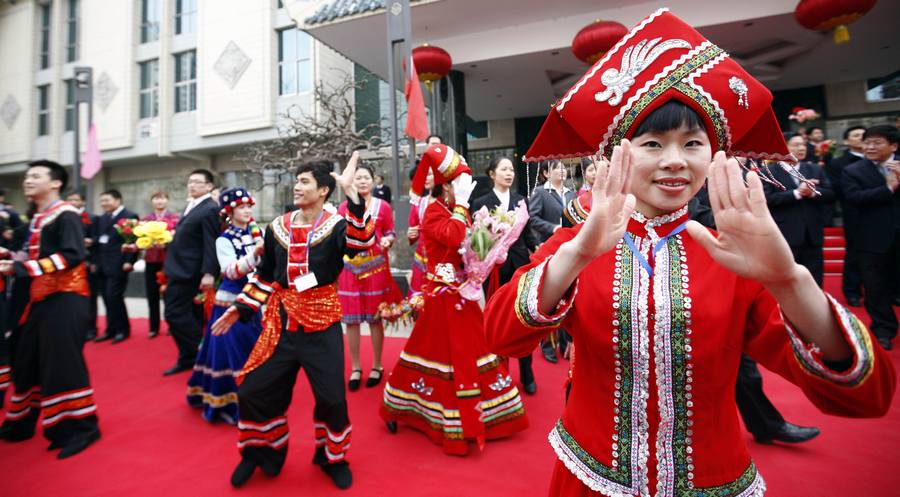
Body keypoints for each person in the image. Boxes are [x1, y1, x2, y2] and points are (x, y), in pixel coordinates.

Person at [485, 10, 895, 496]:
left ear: (714, 155)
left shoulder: (734, 255)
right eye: (654, 142)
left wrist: (789, 282)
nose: (675, 160)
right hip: (590, 477)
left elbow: (865, 398)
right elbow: (498, 337)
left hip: (714, 480)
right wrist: (574, 255)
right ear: (619, 154)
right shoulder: (580, 241)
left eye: (693, 143)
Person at [210, 153, 374, 489]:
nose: (297, 187)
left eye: (304, 181)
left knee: (331, 399)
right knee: (255, 390)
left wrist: (353, 197)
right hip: (281, 324)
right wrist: (240, 307)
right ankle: (260, 453)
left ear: (324, 190)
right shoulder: (278, 226)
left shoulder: (336, 225)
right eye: (296, 181)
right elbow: (268, 275)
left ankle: (332, 457)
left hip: (322, 325)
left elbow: (362, 244)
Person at [381, 144, 529, 455]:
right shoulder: (434, 210)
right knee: (429, 350)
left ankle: (483, 414)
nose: (463, 189)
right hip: (440, 293)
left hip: (463, 290)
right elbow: (450, 235)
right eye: (458, 183)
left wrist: (490, 250)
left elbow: (468, 246)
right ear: (445, 185)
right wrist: (462, 205)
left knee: (472, 349)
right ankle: (402, 406)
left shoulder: (455, 208)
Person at [0, 160, 101, 459]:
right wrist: (10, 257)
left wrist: (21, 267)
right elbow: (30, 255)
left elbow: (73, 254)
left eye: (35, 176)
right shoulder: (38, 218)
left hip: (67, 298)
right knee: (26, 359)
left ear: (55, 183)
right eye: (26, 176)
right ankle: (21, 422)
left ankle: (81, 428)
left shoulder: (65, 214)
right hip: (40, 300)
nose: (27, 181)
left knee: (62, 364)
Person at [187, 187, 262, 424]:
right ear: (230, 211)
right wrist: (255, 256)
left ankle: (256, 398)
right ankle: (231, 403)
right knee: (234, 354)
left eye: (249, 206)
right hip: (231, 304)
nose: (247, 210)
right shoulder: (224, 239)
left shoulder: (257, 235)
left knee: (255, 351)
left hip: (255, 301)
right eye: (241, 207)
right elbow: (229, 270)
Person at [470, 156, 540, 395]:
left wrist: (537, 248)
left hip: (520, 264)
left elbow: (528, 234)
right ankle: (500, 375)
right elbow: (476, 241)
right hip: (495, 270)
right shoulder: (480, 202)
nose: (509, 173)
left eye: (511, 169)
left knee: (522, 318)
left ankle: (528, 373)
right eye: (504, 169)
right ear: (492, 174)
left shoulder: (521, 200)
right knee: (497, 320)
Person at [337, 164, 402, 391]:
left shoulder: (382, 206)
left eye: (366, 178)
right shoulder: (342, 208)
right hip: (349, 270)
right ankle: (356, 367)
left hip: (375, 268)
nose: (362, 181)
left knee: (376, 318)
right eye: (358, 178)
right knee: (351, 321)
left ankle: (377, 365)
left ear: (374, 181)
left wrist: (388, 240)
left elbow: (390, 231)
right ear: (351, 183)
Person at [842, 124, 900, 350]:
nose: (870, 147)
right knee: (875, 287)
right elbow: (854, 197)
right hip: (871, 239)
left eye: (877, 142)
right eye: (868, 142)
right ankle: (883, 329)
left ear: (893, 146)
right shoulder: (854, 171)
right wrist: (888, 188)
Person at [162, 169, 220, 376]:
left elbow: (211, 242)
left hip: (191, 270)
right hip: (179, 267)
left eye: (197, 182)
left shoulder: (210, 208)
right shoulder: (192, 205)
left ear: (209, 186)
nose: (192, 185)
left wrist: (209, 273)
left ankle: (202, 350)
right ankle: (189, 357)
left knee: (174, 312)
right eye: (190, 181)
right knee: (180, 312)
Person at [763, 134, 834, 287]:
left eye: (803, 144)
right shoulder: (769, 171)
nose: (801, 148)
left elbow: (830, 194)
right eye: (795, 144)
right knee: (787, 276)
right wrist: (797, 193)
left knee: (815, 275)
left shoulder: (814, 169)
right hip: (785, 231)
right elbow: (766, 199)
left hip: (812, 232)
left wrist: (813, 192)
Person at [528, 160, 575, 363]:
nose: (563, 171)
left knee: (569, 295)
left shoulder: (572, 192)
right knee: (548, 296)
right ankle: (547, 344)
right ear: (546, 173)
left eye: (564, 168)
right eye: (557, 168)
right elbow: (533, 218)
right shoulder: (541, 192)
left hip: (571, 250)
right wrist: (554, 229)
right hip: (549, 248)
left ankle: (566, 342)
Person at [825, 125, 867, 306]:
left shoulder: (880, 161)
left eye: (863, 135)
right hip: (855, 213)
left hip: (884, 213)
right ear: (847, 141)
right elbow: (837, 190)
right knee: (855, 253)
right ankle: (852, 291)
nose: (861, 138)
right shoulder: (838, 163)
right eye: (856, 135)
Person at [93, 189, 139, 344]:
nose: (104, 204)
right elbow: (98, 242)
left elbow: (132, 241)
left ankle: (122, 330)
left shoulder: (129, 216)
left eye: (107, 200)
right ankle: (110, 330)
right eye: (102, 201)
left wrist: (129, 261)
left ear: (118, 200)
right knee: (106, 298)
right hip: (102, 265)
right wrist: (95, 263)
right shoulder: (102, 218)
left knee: (114, 297)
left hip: (119, 264)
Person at [142, 191, 179, 338]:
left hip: (168, 261)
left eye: (162, 198)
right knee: (152, 295)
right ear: (152, 202)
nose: (159, 201)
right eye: (156, 198)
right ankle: (154, 327)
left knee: (170, 295)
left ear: (167, 201)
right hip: (151, 261)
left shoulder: (175, 219)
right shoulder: (145, 220)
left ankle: (172, 326)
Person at [65, 191, 100, 340]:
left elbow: (98, 241)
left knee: (90, 298)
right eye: (69, 199)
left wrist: (93, 260)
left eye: (76, 199)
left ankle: (91, 328)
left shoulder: (92, 218)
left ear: (83, 202)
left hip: (87, 263)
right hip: (68, 265)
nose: (72, 202)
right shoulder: (64, 217)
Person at [407, 166, 435, 308]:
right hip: (422, 259)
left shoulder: (452, 202)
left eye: (429, 174)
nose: (425, 178)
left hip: (442, 262)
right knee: (420, 304)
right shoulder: (419, 203)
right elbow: (412, 231)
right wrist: (412, 234)